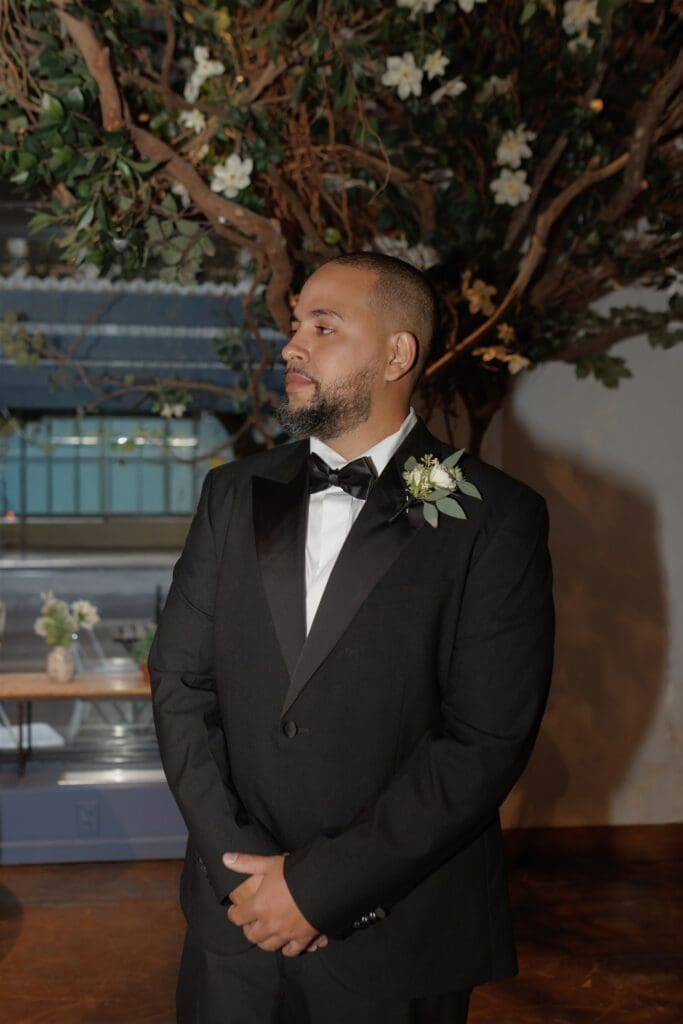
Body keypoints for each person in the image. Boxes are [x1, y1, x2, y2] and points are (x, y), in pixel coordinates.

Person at [148, 251, 555, 1023]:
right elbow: (178, 685)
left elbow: (486, 738)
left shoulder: (494, 517)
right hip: (234, 930)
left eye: (322, 326)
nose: (292, 346)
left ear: (396, 353)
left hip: (396, 935)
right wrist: (245, 875)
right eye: (294, 323)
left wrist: (316, 888)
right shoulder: (232, 494)